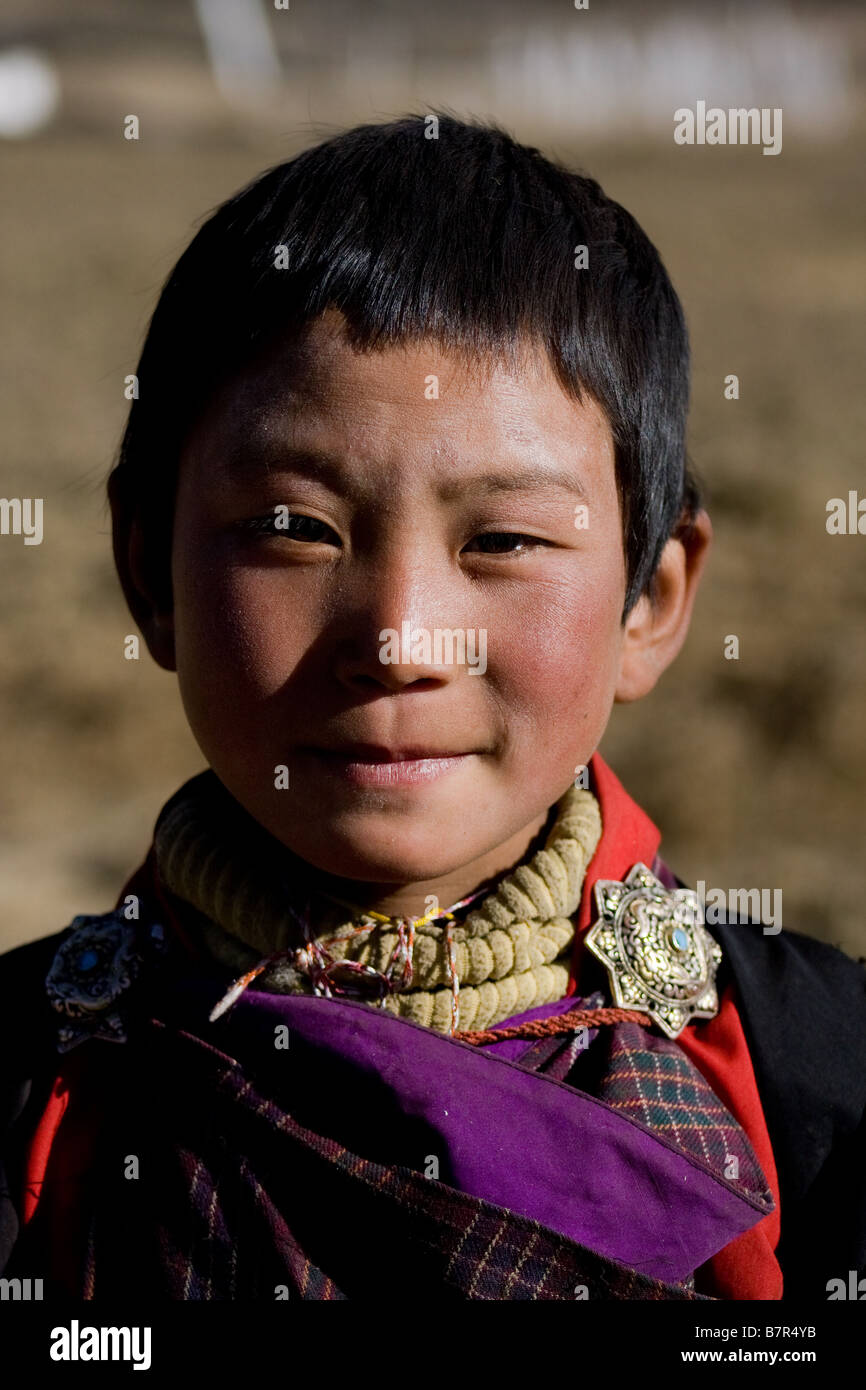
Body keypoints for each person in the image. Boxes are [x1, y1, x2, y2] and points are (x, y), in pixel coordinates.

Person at [1, 113, 863, 1303]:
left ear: (649, 600)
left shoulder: (814, 1081)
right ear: (147, 575)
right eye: (293, 529)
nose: (402, 639)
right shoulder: (32, 1098)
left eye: (503, 538)